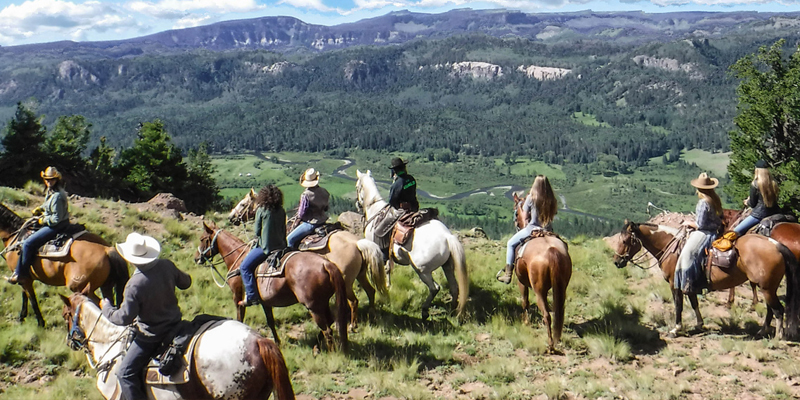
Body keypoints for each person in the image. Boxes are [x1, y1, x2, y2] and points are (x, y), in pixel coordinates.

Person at [100, 232, 192, 400]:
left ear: (130, 258)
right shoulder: (166, 265)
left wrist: (106, 308)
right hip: (176, 324)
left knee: (124, 374)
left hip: (152, 336)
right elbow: (186, 282)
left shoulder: (134, 285)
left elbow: (123, 318)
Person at [7, 166, 70, 285]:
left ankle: (21, 274)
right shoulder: (51, 192)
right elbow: (48, 206)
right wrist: (40, 209)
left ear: (56, 179)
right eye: (47, 179)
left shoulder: (57, 196)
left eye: (51, 179)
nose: (48, 181)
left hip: (56, 226)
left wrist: (42, 220)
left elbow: (56, 219)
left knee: (28, 243)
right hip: (56, 222)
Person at [497, 175, 557, 284]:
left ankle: (508, 275)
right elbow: (553, 214)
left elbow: (524, 216)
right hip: (548, 230)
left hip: (532, 228)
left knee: (510, 243)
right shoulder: (552, 199)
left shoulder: (531, 197)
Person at [239, 185, 287, 307]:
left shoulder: (261, 210)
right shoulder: (281, 210)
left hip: (265, 248)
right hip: (281, 246)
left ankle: (251, 296)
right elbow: (283, 229)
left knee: (244, 267)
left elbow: (257, 231)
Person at [675, 173, 723, 294]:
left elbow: (701, 224)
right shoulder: (715, 199)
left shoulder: (703, 203)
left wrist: (689, 222)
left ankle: (691, 282)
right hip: (714, 230)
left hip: (706, 233)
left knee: (688, 252)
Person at [732, 160, 780, 237]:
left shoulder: (755, 184)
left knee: (734, 232)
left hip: (759, 215)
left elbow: (753, 204)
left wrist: (747, 202)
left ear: (757, 170)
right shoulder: (774, 183)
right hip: (774, 213)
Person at [286, 168, 329, 249]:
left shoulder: (306, 195)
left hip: (310, 224)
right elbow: (326, 208)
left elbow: (301, 213)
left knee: (289, 239)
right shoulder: (324, 191)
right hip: (323, 221)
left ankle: (290, 255)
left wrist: (297, 222)